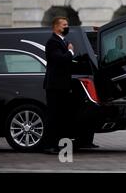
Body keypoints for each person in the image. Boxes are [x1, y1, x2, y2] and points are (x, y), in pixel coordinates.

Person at [43, 16, 75, 154]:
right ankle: (50, 145)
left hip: (62, 85)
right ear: (56, 26)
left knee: (61, 116)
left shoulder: (64, 41)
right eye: (64, 25)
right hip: (55, 86)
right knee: (54, 116)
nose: (66, 27)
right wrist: (70, 52)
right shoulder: (52, 42)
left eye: (67, 24)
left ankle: (58, 144)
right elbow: (60, 60)